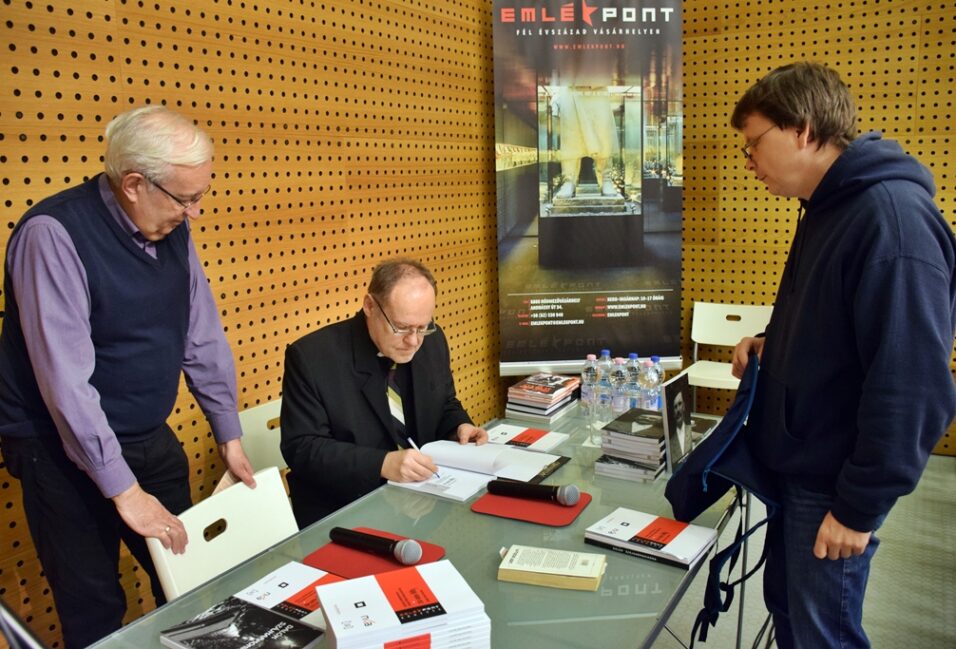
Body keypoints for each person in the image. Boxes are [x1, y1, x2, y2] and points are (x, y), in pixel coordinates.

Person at [0, 106, 256, 649]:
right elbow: (65, 382)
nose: (196, 213)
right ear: (134, 183)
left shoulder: (170, 227)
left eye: (200, 195)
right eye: (185, 199)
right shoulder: (53, 234)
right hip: (57, 450)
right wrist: (123, 490)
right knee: (96, 606)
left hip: (143, 435)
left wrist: (227, 434)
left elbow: (201, 336)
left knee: (195, 584)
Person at [728, 62, 956, 648]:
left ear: (802, 130)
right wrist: (770, 341)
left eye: (755, 144)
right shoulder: (826, 207)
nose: (748, 161)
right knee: (793, 615)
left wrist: (858, 508)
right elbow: (831, 320)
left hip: (832, 482)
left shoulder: (892, 222)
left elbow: (913, 385)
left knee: (821, 634)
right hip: (799, 465)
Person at [280, 258, 487, 527]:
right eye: (401, 327)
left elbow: (444, 402)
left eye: (423, 327)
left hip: (424, 504)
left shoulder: (432, 342)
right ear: (370, 306)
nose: (413, 341)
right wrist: (382, 464)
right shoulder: (312, 357)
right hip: (344, 514)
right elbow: (303, 448)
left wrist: (459, 425)